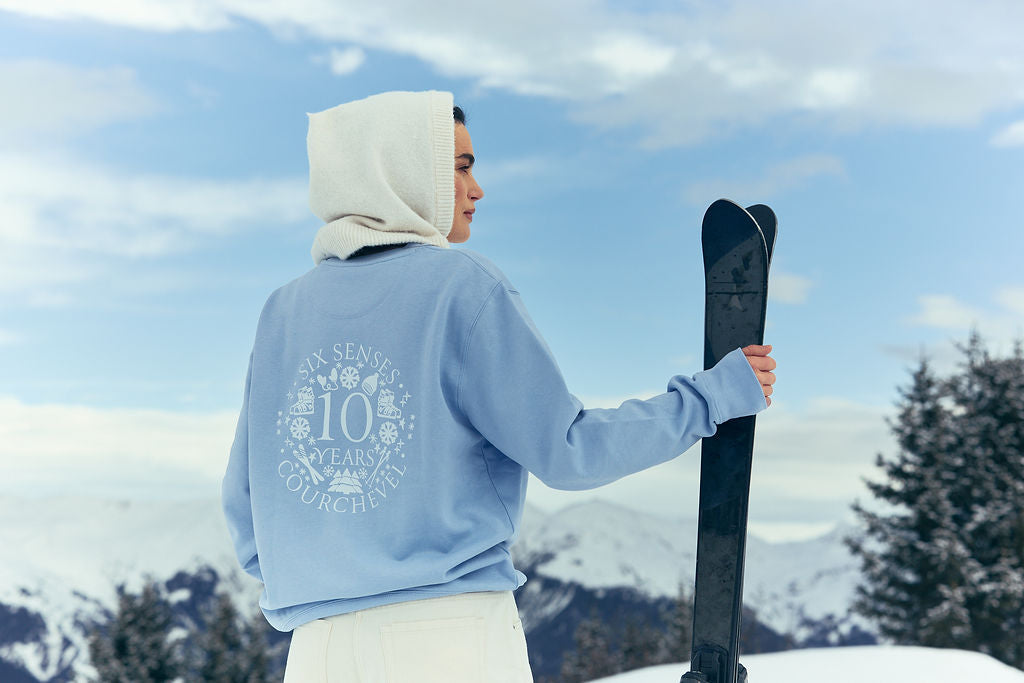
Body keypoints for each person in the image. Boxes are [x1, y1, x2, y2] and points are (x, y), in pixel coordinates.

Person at [221, 90, 776, 682]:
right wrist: (711, 399)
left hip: (317, 651)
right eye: (459, 167)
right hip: (448, 640)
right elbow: (569, 450)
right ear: (405, 170)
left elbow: (245, 510)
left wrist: (334, 577)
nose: (476, 188)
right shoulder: (461, 287)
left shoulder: (282, 312)